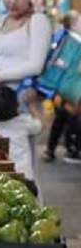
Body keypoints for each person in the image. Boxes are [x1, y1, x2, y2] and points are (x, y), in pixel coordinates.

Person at [0, 84, 43, 197]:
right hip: (24, 178)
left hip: (3, 175)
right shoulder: (22, 122)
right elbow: (40, 125)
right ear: (16, 107)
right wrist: (31, 105)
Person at [43, 10, 81, 164]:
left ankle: (52, 149)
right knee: (70, 116)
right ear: (72, 24)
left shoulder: (64, 38)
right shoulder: (71, 41)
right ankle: (71, 149)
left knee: (63, 117)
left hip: (63, 85)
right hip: (69, 85)